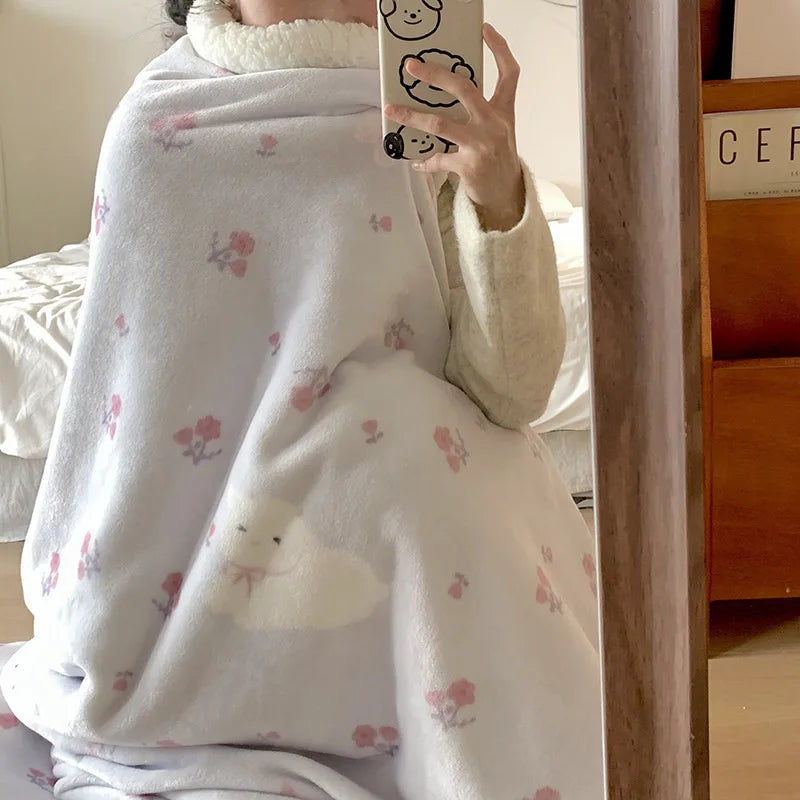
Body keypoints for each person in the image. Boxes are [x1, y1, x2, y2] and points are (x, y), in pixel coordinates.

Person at [0, 1, 603, 797]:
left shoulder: (418, 110)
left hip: (416, 523)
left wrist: (499, 196)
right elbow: (139, 425)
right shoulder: (157, 132)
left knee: (426, 485)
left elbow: (509, 392)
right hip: (223, 569)